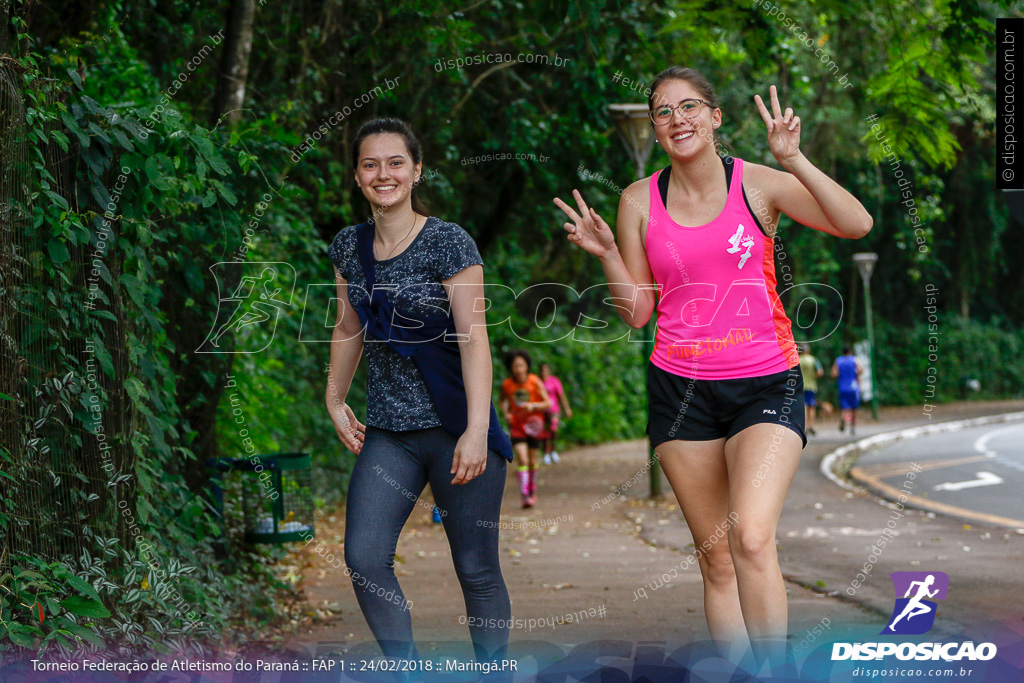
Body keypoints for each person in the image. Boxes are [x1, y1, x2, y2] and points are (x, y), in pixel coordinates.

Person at [553, 67, 872, 671]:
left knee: (752, 537)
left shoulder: (758, 185)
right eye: (664, 112)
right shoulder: (637, 200)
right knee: (717, 557)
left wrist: (796, 158)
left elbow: (856, 224)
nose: (678, 120)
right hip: (680, 389)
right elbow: (638, 310)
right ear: (655, 126)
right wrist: (607, 256)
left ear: (716, 116)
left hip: (766, 381)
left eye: (690, 106)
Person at [325, 117, 513, 674]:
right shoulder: (347, 246)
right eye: (370, 163)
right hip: (390, 433)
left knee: (476, 568)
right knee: (364, 557)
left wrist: (477, 429)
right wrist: (334, 400)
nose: (383, 174)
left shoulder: (448, 242)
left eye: (395, 162)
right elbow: (347, 327)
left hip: (456, 423)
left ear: (416, 170)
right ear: (358, 176)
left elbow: (475, 337)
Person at [500, 350, 551, 508]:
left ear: (527, 366)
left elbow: (548, 403)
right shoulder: (507, 384)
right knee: (522, 459)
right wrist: (506, 413)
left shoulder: (535, 381)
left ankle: (532, 489)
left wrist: (533, 405)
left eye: (521, 365)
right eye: (515, 366)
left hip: (535, 426)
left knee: (532, 461)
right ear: (511, 368)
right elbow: (503, 400)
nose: (519, 369)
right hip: (517, 427)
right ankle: (524, 495)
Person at [539, 362, 572, 464]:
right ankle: (546, 453)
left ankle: (553, 450)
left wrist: (567, 408)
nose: (544, 372)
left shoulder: (554, 381)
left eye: (546, 370)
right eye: (542, 370)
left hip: (554, 410)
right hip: (542, 411)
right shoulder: (538, 382)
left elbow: (561, 396)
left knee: (553, 429)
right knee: (545, 433)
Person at [832, 346, 863, 436]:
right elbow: (861, 370)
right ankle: (853, 428)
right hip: (853, 388)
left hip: (843, 387)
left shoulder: (838, 361)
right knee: (854, 408)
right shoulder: (854, 360)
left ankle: (842, 419)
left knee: (845, 407)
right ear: (850, 351)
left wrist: (841, 374)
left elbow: (834, 373)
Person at [798, 344, 824, 436]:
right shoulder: (813, 359)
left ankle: (804, 427)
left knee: (803, 407)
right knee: (812, 406)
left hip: (801, 386)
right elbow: (820, 372)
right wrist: (814, 376)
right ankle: (811, 425)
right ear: (808, 350)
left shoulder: (798, 360)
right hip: (812, 386)